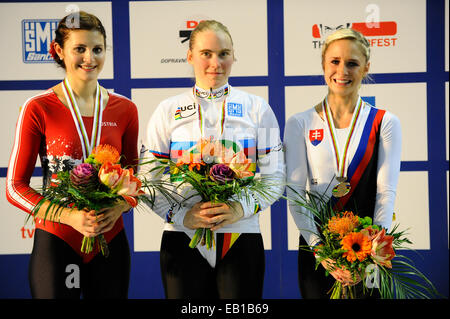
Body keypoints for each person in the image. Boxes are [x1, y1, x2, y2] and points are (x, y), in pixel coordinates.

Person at [140, 20, 285, 299]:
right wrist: (183, 216)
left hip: (240, 236)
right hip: (182, 236)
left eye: (223, 54)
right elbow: (147, 182)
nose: (215, 63)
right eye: (206, 53)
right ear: (190, 56)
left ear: (234, 56)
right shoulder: (167, 111)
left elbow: (274, 177)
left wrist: (239, 209)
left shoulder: (258, 108)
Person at [6, 11, 138, 298]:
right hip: (57, 240)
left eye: (97, 49)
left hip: (110, 240)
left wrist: (120, 206)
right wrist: (67, 216)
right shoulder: (39, 107)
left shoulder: (125, 109)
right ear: (59, 51)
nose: (90, 58)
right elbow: (15, 188)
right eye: (80, 49)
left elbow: (134, 179)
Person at [284, 28, 402, 299]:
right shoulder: (299, 123)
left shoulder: (384, 122)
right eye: (335, 62)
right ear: (324, 64)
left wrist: (372, 251)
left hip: (368, 251)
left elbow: (386, 193)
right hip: (317, 250)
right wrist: (320, 251)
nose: (342, 71)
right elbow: (295, 195)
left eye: (352, 63)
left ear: (366, 67)